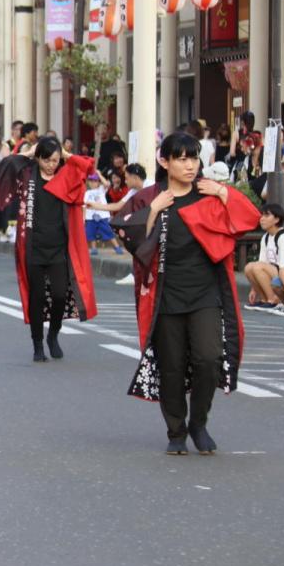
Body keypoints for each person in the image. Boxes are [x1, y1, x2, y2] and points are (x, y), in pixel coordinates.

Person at [111, 132, 260, 455]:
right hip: (165, 295)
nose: (190, 165)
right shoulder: (150, 196)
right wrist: (153, 210)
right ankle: (176, 430)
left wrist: (223, 191)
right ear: (164, 162)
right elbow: (126, 233)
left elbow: (249, 219)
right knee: (172, 367)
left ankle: (199, 422)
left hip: (206, 293)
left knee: (209, 358)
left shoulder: (208, 193)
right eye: (181, 158)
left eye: (193, 158)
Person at [0, 136, 99, 362]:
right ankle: (37, 344)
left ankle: (53, 335)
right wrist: (28, 153)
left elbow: (88, 167)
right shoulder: (27, 174)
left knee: (60, 295)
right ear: (38, 158)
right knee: (37, 297)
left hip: (59, 247)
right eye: (47, 160)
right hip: (33, 247)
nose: (52, 165)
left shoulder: (65, 174)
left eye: (55, 160)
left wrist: (67, 155)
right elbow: (7, 164)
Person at [243, 204, 284, 314]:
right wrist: (254, 289)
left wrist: (279, 294)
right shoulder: (266, 237)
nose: (262, 219)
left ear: (277, 219)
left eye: (266, 215)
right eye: (262, 215)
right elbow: (261, 263)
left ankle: (274, 300)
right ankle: (265, 299)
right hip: (275, 273)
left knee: (258, 266)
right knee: (249, 267)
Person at [84, 172, 122, 256]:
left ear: (98, 182)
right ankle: (94, 248)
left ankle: (117, 246)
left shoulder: (101, 189)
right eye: (91, 181)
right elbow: (84, 206)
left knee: (108, 231)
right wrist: (83, 218)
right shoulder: (86, 193)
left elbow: (107, 184)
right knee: (91, 233)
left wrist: (99, 174)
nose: (93, 183)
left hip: (102, 215)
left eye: (95, 181)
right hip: (90, 217)